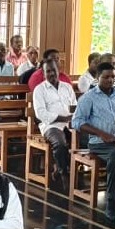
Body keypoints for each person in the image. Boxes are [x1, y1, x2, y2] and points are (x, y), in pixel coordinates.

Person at [71, 62, 115, 223]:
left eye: (112, 77)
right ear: (97, 77)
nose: (110, 80)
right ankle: (111, 203)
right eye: (106, 77)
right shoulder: (89, 97)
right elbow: (77, 122)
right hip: (99, 142)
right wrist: (101, 134)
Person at [32, 59, 78, 189]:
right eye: (48, 71)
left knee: (85, 140)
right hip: (51, 125)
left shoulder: (67, 87)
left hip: (70, 124)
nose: (51, 73)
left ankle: (61, 168)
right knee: (60, 143)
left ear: (59, 70)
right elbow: (41, 113)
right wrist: (62, 118)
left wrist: (72, 118)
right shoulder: (39, 90)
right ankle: (64, 174)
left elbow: (75, 106)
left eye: (54, 70)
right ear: (43, 73)